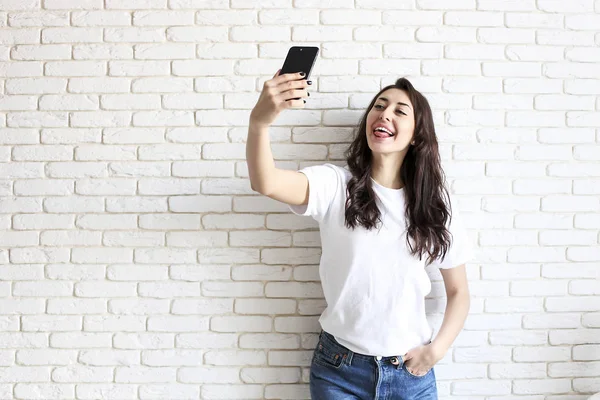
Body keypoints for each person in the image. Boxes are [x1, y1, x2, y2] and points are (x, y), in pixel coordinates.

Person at [246, 70, 473, 399]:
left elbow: (459, 292)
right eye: (379, 106)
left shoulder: (435, 205)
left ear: (416, 135)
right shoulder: (335, 185)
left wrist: (435, 350)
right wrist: (259, 122)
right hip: (340, 370)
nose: (384, 113)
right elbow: (265, 182)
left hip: (410, 374)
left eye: (399, 110)